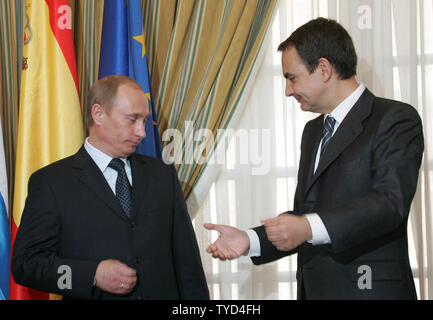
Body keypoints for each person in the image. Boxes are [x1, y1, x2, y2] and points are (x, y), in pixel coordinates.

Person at [205, 18, 424, 300]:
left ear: (323, 69)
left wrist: (306, 226)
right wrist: (250, 239)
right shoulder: (313, 131)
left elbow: (389, 203)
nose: (287, 91)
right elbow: (305, 216)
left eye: (292, 78)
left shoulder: (394, 119)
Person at [12, 75, 209, 300]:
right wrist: (91, 275)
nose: (142, 132)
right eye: (132, 119)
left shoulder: (162, 175)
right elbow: (26, 266)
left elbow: (188, 264)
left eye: (144, 121)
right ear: (98, 114)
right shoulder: (52, 182)